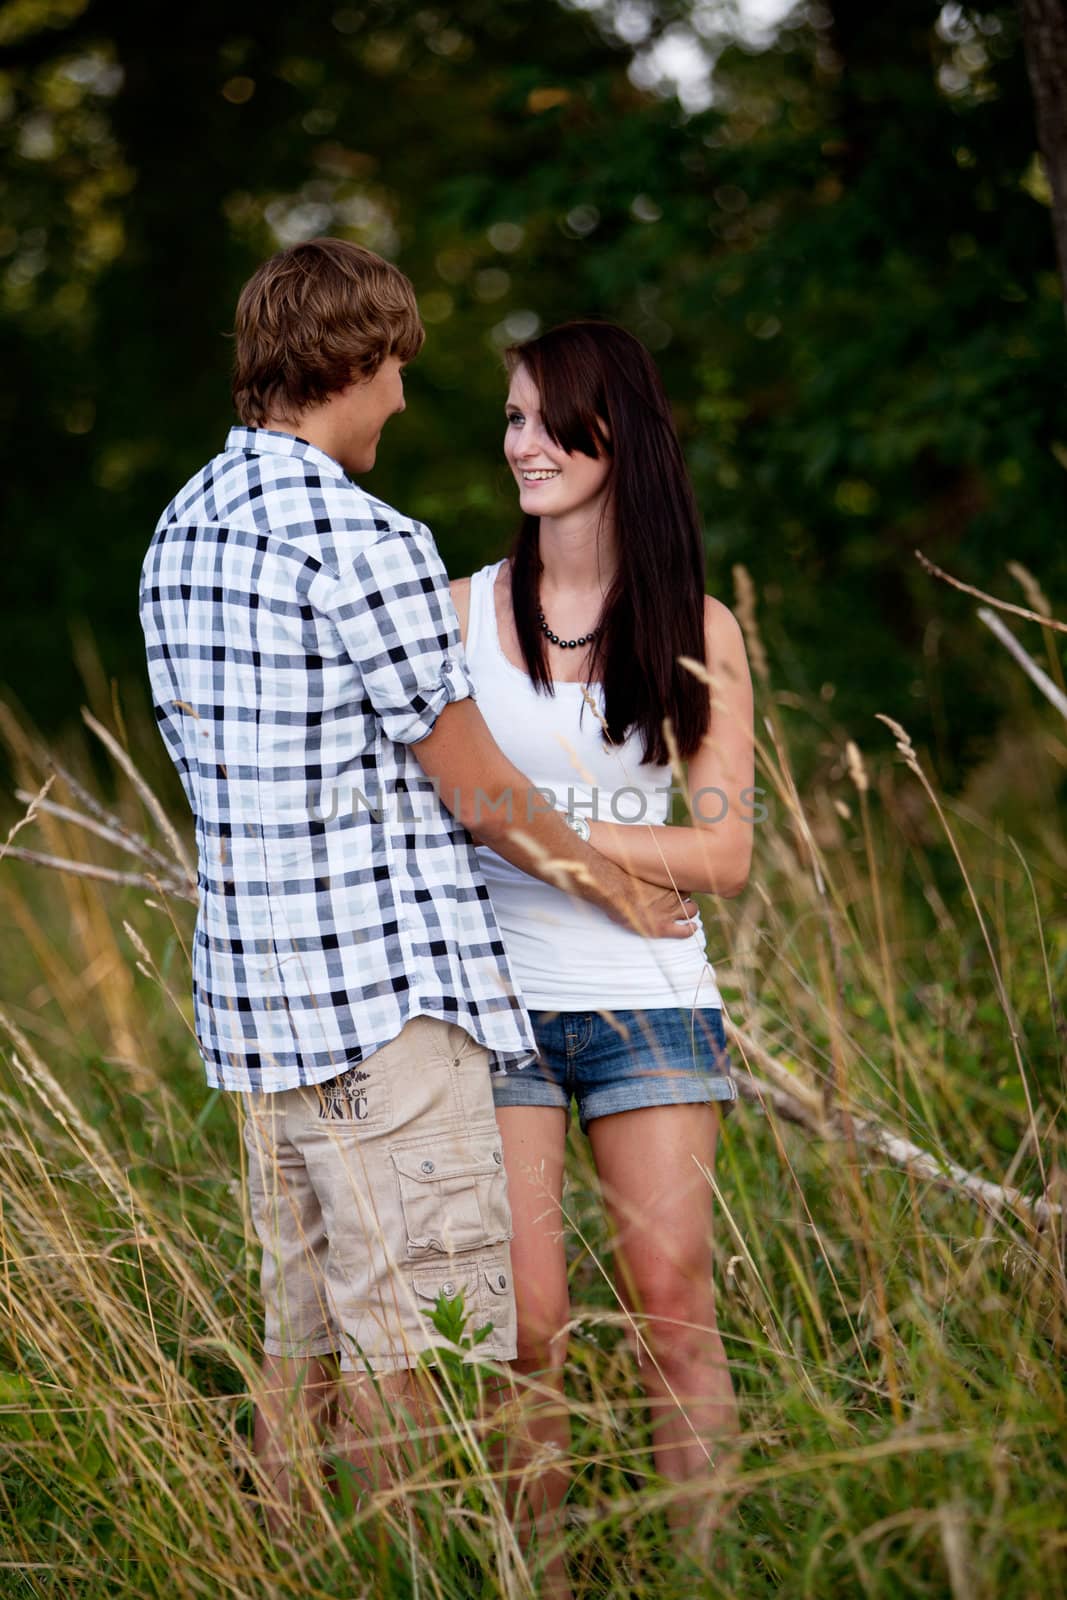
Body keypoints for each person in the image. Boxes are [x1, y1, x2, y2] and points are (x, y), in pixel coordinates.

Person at [138, 243, 696, 1525]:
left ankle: (293, 1564)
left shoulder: (182, 528)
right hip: (386, 1020)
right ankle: (404, 1571)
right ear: (349, 361)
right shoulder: (361, 533)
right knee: (419, 1360)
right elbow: (478, 787)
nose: (400, 398)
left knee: (301, 1356)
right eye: (395, 369)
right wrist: (617, 888)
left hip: (259, 1019)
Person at [451, 320, 755, 1588]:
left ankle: (708, 1572)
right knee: (528, 1331)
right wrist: (619, 846)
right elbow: (455, 803)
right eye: (510, 419)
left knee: (672, 1309)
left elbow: (725, 853)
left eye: (542, 419)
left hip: (649, 1005)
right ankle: (544, 1577)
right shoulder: (458, 610)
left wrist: (540, 826)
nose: (520, 443)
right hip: (494, 1002)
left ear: (612, 434)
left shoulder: (698, 623)